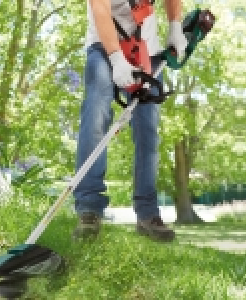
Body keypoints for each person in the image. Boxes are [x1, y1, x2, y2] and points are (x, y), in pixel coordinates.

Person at [72, 0, 187, 242]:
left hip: (147, 51)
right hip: (104, 46)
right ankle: (89, 209)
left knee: (147, 130)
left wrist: (175, 27)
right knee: (96, 115)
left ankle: (147, 214)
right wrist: (116, 59)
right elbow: (100, 8)